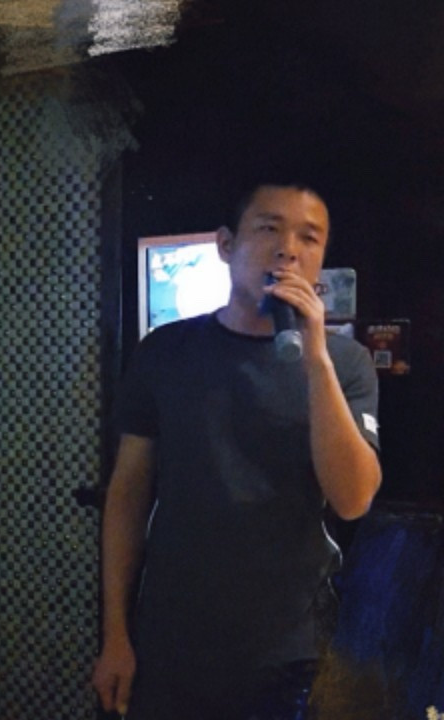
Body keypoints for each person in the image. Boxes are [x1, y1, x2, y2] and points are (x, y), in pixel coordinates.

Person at [92, 182, 382, 719]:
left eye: (309, 238)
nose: (288, 249)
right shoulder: (166, 352)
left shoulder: (347, 364)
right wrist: (115, 635)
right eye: (269, 228)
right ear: (226, 244)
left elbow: (353, 499)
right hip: (171, 642)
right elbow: (127, 495)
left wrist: (316, 358)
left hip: (295, 652)